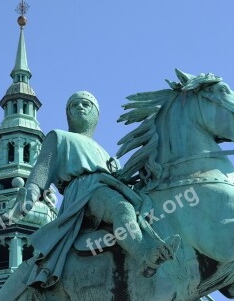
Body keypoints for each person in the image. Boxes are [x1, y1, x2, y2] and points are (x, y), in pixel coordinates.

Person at [11, 91, 180, 288]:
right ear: (68, 114)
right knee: (123, 209)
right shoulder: (59, 137)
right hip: (84, 191)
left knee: (149, 208)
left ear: (96, 115)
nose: (80, 107)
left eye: (85, 104)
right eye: (74, 105)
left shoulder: (105, 153)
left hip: (109, 189)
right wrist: (30, 194)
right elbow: (41, 171)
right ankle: (146, 256)